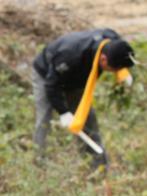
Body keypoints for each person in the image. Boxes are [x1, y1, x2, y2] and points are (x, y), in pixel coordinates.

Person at [31, 29, 136, 168]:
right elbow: (51, 85)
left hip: (77, 79)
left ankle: (97, 166)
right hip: (47, 75)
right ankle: (39, 163)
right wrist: (63, 112)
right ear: (103, 59)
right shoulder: (71, 54)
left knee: (86, 119)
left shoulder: (111, 41)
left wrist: (123, 73)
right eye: (114, 69)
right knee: (44, 119)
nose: (114, 72)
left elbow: (117, 41)